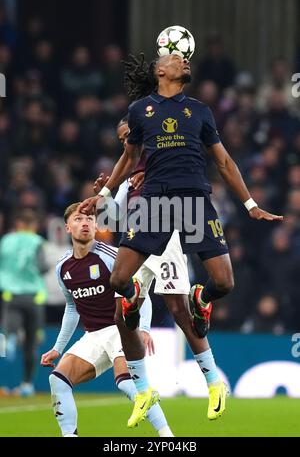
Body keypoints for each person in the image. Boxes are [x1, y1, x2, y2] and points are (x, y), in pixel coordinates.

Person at [80, 53, 283, 425]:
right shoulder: (140, 118)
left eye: (184, 58)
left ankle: (207, 342)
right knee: (120, 288)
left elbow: (223, 161)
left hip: (191, 205)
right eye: (175, 58)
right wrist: (107, 194)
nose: (183, 61)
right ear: (160, 71)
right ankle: (142, 389)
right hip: (151, 210)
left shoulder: (200, 112)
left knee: (208, 291)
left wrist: (251, 203)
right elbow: (124, 172)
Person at [94, 117, 228, 421]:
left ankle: (214, 383)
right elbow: (111, 220)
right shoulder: (127, 175)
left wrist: (153, 176)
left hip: (165, 234)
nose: (125, 141)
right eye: (121, 139)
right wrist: (105, 195)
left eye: (128, 135)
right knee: (121, 315)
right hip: (134, 238)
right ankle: (143, 390)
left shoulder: (163, 155)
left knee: (180, 310)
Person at [40, 202, 173, 437]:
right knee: (58, 380)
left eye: (90, 219)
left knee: (127, 383)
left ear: (95, 225)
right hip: (93, 336)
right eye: (79, 220)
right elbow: (72, 308)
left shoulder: (111, 256)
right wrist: (57, 349)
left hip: (121, 329)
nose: (85, 224)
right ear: (68, 228)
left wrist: (143, 329)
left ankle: (167, 437)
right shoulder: (63, 268)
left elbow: (141, 294)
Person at [0, 209, 48, 396]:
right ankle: (27, 385)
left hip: (11, 294)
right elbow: (43, 267)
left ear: (18, 224)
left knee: (10, 325)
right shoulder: (37, 242)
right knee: (31, 343)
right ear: (33, 226)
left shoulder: (6, 241)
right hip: (35, 296)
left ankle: (11, 335)